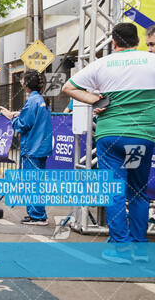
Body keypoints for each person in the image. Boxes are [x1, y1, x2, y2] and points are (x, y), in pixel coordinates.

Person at [62, 22, 155, 263]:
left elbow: (68, 87)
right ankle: (139, 248)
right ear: (138, 41)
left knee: (113, 191)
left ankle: (120, 249)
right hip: (141, 137)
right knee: (137, 192)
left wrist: (95, 100)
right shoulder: (151, 60)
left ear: (114, 43)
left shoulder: (102, 63)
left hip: (110, 138)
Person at [0, 69, 52, 226]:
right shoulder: (40, 100)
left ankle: (38, 215)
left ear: (26, 83)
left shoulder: (32, 101)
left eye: (22, 80)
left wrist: (10, 118)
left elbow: (24, 124)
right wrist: (18, 114)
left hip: (33, 147)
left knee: (33, 182)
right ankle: (35, 213)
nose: (21, 82)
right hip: (40, 147)